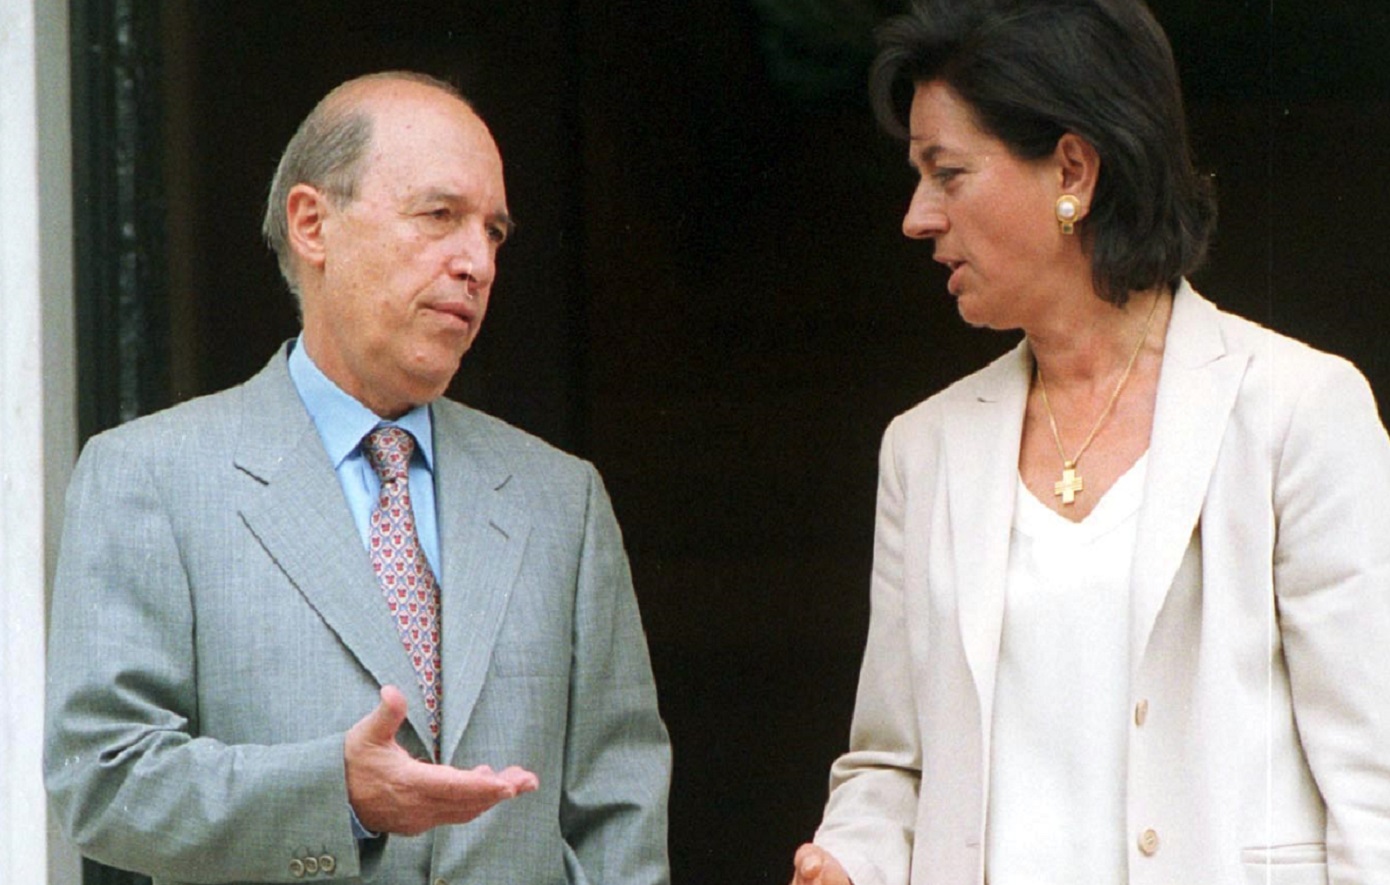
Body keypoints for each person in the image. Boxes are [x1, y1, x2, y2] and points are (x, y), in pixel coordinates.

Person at [788, 1, 1390, 883]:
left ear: (1072, 168)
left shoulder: (1297, 412)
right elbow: (894, 765)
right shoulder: (924, 448)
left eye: (947, 173)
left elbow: (1376, 782)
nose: (918, 216)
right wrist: (850, 859)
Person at [45, 71, 671, 885]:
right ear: (313, 224)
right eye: (440, 215)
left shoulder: (561, 498)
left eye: (493, 232)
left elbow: (620, 815)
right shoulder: (152, 477)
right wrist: (335, 794)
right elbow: (103, 779)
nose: (477, 262)